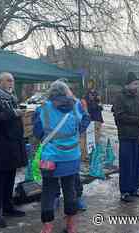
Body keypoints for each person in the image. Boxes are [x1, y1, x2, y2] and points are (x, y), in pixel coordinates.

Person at [33, 80, 90, 233]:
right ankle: (71, 225)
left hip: (50, 158)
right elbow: (85, 122)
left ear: (50, 93)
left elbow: (38, 132)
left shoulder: (42, 109)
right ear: (67, 92)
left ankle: (47, 227)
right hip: (71, 157)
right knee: (70, 189)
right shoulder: (76, 106)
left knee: (48, 192)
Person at [0, 72, 28, 228]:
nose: (11, 83)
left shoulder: (12, 98)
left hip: (12, 146)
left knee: (10, 178)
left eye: (13, 81)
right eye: (9, 80)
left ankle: (8, 208)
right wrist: (14, 113)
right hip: (0, 147)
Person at [112, 72, 139, 203]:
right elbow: (120, 116)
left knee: (137, 163)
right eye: (135, 84)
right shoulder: (120, 98)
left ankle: (134, 188)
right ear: (128, 84)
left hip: (136, 135)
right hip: (125, 135)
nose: (137, 86)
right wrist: (137, 119)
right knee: (126, 163)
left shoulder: (138, 97)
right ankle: (125, 191)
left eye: (138, 84)